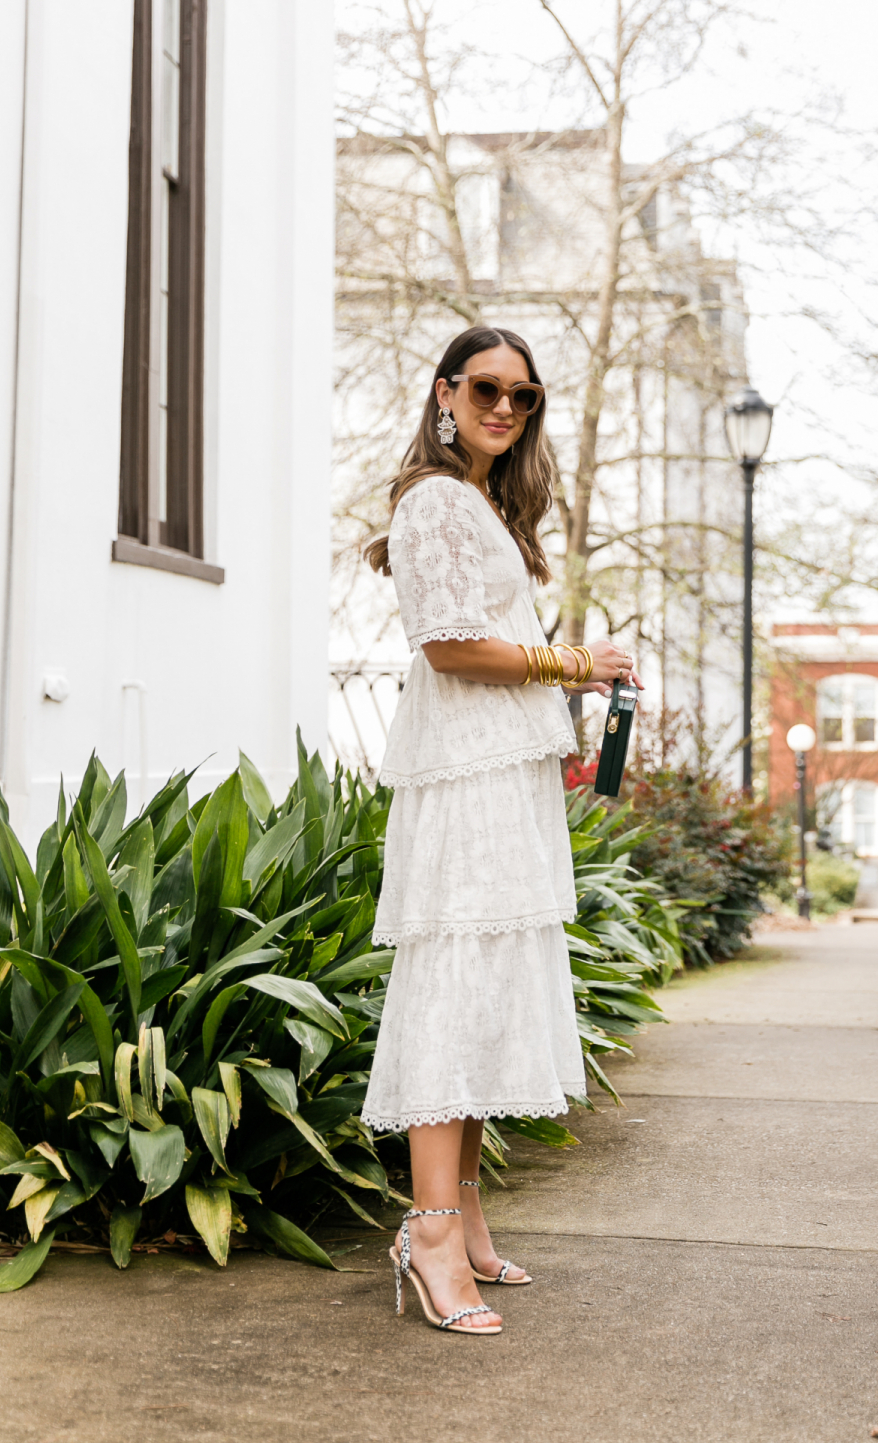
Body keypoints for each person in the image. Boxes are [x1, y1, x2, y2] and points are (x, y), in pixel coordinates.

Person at [362, 325, 641, 1334]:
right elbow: (445, 649)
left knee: (482, 994)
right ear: (444, 392)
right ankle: (429, 1230)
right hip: (463, 782)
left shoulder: (482, 505)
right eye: (487, 388)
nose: (505, 409)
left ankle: (462, 1211)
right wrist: (573, 663)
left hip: (498, 780)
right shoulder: (434, 500)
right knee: (452, 989)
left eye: (523, 397)